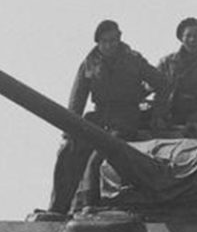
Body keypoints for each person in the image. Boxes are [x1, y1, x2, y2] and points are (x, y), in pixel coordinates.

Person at [48, 19, 168, 212]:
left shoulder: (133, 60)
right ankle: (58, 208)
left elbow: (162, 83)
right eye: (105, 41)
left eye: (113, 40)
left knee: (98, 156)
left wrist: (157, 114)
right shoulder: (89, 63)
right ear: (98, 43)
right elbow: (78, 97)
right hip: (100, 115)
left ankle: (89, 204)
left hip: (126, 117)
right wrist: (69, 129)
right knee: (69, 152)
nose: (110, 45)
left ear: (119, 39)